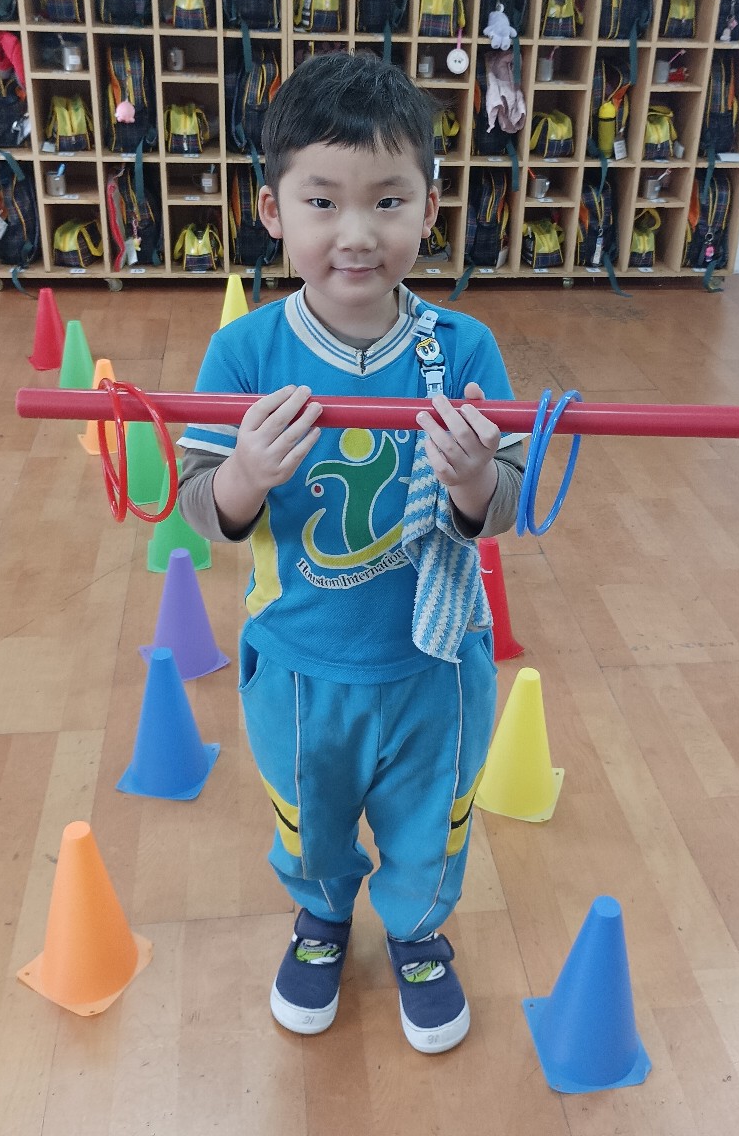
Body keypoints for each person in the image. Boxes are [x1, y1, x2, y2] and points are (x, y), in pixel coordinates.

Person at [177, 52, 524, 1054]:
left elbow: (505, 502)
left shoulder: (465, 349)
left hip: (435, 663)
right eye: (323, 201)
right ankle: (323, 918)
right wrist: (244, 474)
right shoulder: (245, 353)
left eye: (388, 200)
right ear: (274, 210)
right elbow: (201, 504)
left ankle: (417, 934)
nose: (358, 233)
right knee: (311, 818)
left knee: (431, 820)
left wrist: (473, 480)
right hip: (298, 665)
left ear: (429, 206)